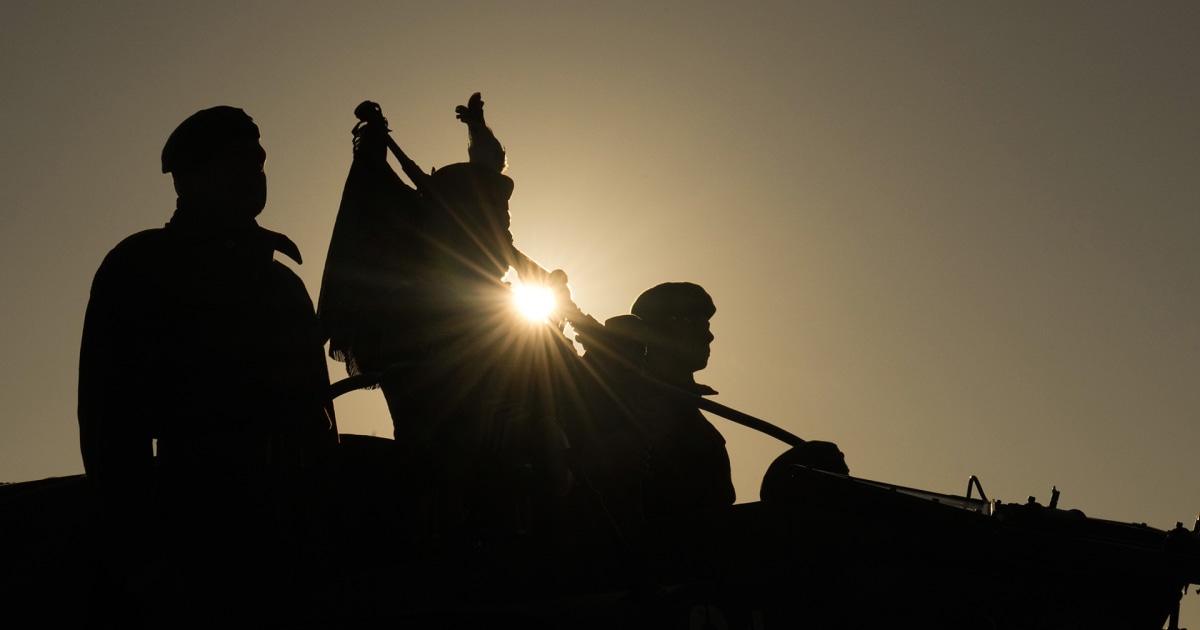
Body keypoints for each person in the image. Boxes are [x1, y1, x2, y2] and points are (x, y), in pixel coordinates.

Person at [77, 106, 338, 623]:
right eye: (238, 158)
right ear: (189, 175)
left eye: (261, 160)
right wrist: (141, 555)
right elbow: (111, 423)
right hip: (194, 529)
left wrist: (327, 537)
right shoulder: (141, 266)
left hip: (291, 536)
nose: (256, 170)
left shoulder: (285, 285)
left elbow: (320, 422)